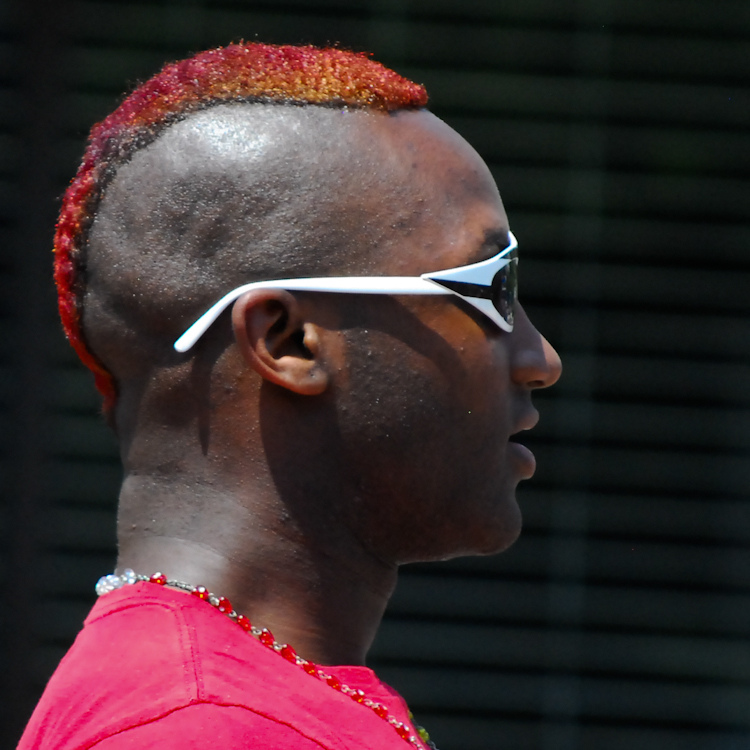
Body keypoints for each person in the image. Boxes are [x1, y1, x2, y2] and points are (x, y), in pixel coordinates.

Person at [19, 42, 561, 750]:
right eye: (489, 288)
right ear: (288, 342)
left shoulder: (232, 703)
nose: (540, 360)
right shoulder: (200, 729)